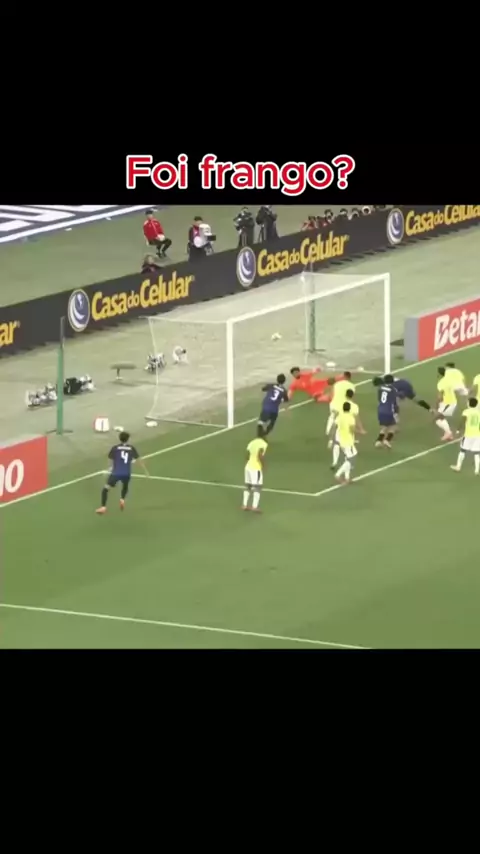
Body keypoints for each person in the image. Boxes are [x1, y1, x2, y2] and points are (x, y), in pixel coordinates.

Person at [96, 431, 149, 515]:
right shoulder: (131, 448)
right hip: (126, 473)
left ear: (119, 438)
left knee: (105, 489)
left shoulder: (115, 448)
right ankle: (122, 499)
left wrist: (108, 470)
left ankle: (103, 507)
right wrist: (146, 471)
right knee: (125, 485)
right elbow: (139, 460)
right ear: (128, 439)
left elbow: (110, 460)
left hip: (116, 473)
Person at [330, 388, 365, 470]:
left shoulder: (341, 404)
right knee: (348, 447)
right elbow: (357, 418)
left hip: (340, 427)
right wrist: (361, 429)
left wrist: (335, 423)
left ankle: (334, 462)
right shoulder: (355, 406)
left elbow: (335, 414)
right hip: (349, 429)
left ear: (345, 395)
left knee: (336, 444)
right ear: (353, 396)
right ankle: (348, 464)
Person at [450, 398, 480, 475]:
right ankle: (476, 470)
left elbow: (463, 421)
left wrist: (458, 430)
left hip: (468, 434)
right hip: (477, 435)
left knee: (463, 450)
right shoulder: (478, 412)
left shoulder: (466, 412)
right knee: (476, 453)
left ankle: (458, 467)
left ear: (469, 403)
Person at [242, 425, 268, 512]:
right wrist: (264, 465)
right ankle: (254, 506)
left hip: (248, 467)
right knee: (258, 487)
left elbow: (247, 456)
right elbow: (260, 455)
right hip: (255, 468)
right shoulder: (263, 444)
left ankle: (244, 505)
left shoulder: (251, 442)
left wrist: (248, 464)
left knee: (248, 485)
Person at [334, 402, 357, 484]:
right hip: (348, 441)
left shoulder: (340, 416)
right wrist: (359, 432)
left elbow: (335, 426)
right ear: (349, 408)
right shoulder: (350, 417)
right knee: (351, 459)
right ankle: (338, 475)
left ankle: (347, 478)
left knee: (349, 457)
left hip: (342, 440)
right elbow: (352, 430)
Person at [325, 371, 355, 436]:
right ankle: (338, 435)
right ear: (349, 377)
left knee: (332, 417)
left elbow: (331, 394)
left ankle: (328, 431)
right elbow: (350, 396)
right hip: (342, 406)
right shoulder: (351, 386)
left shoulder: (337, 384)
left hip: (333, 404)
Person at [375, 376, 398, 447]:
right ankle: (387, 440)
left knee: (384, 427)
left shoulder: (380, 388)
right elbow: (394, 402)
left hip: (380, 410)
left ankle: (378, 441)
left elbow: (379, 399)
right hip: (389, 411)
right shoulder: (393, 390)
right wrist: (396, 412)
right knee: (393, 426)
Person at [435, 367, 456, 441]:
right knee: (440, 418)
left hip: (448, 403)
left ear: (439, 373)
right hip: (451, 401)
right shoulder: (449, 379)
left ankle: (448, 433)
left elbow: (440, 396)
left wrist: (436, 405)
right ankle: (449, 434)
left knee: (438, 419)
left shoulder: (441, 383)